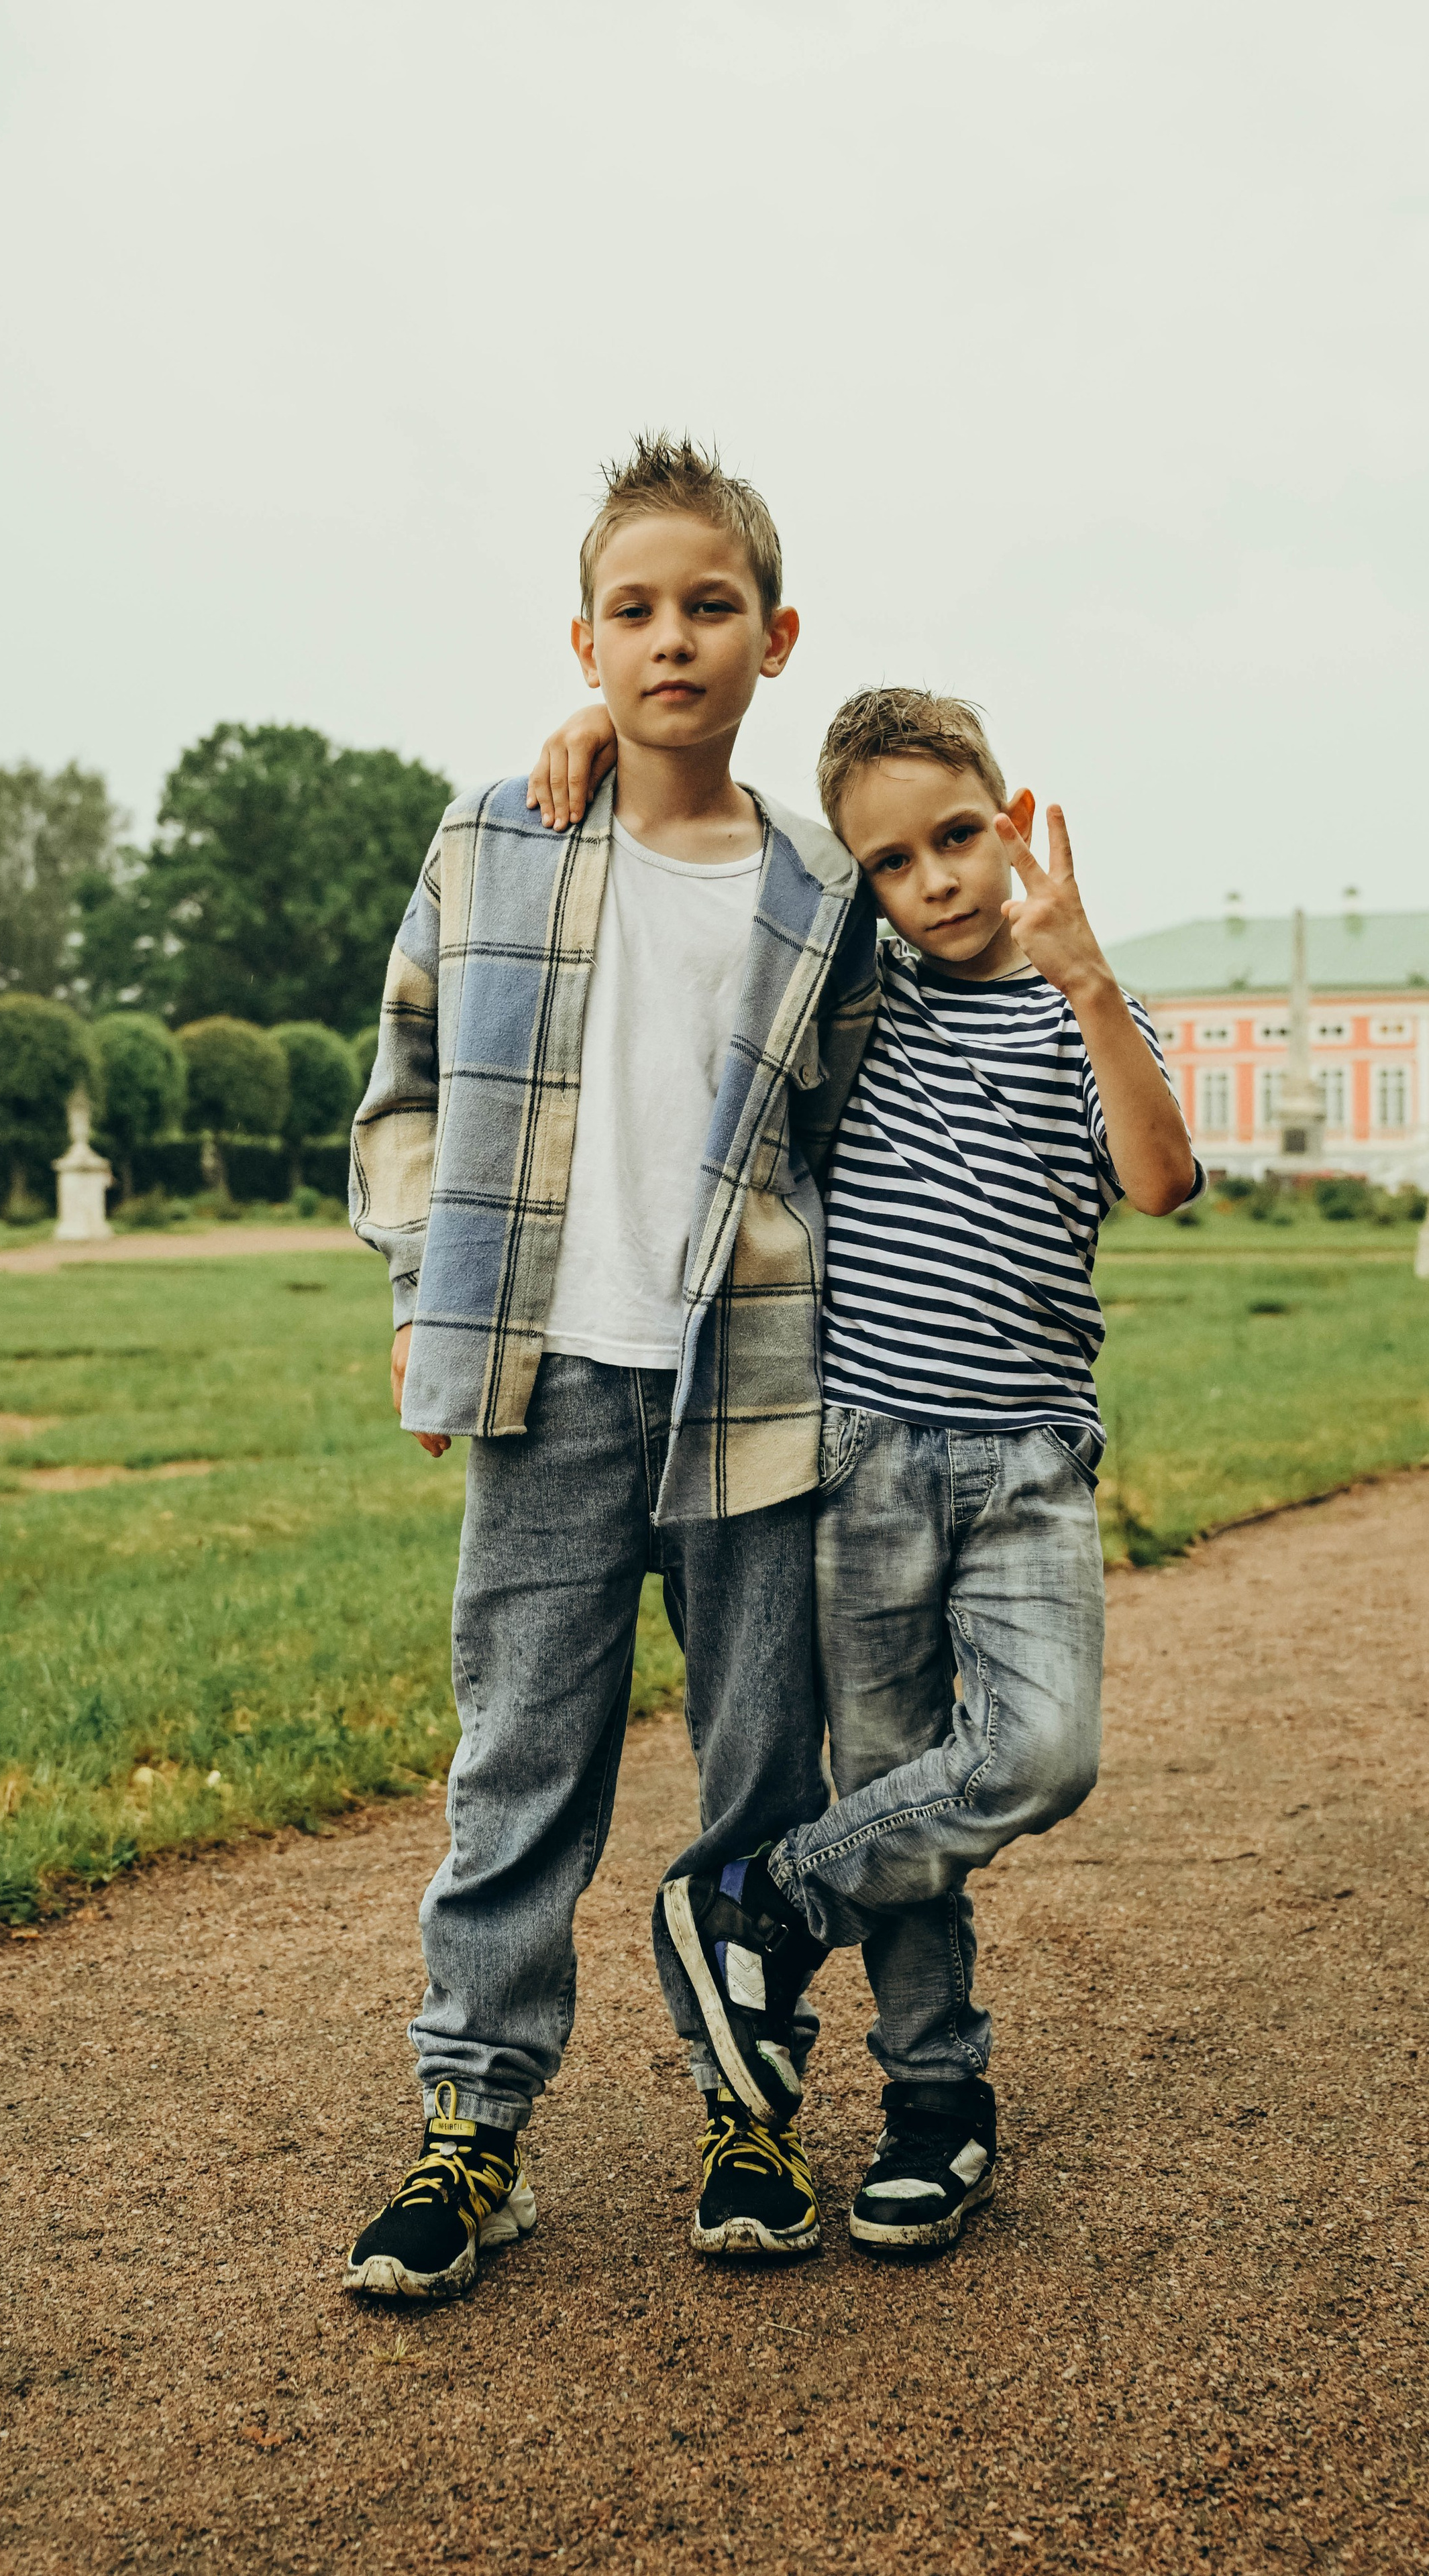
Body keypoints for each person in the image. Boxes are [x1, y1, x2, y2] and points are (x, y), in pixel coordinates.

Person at [531, 685, 1200, 2253]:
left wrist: (1090, 980)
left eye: (959, 838)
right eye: (894, 863)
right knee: (896, 1779)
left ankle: (758, 1895)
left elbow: (1159, 1180)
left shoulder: (1079, 1008)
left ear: (1010, 817)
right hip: (864, 1456)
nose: (938, 882)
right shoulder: (859, 991)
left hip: (1027, 1457)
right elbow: (703, 847)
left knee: (1037, 1755)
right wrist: (595, 730)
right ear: (867, 882)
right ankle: (932, 2105)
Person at [341, 436, 878, 2298]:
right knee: (523, 1770)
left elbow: (864, 1143)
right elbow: (406, 1088)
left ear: (774, 636)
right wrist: (427, 1288)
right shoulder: (496, 834)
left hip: (758, 1389)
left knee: (760, 1777)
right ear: (584, 641)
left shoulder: (826, 893)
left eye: (709, 607)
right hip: (551, 1385)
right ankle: (473, 2135)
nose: (673, 639)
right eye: (635, 610)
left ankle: (752, 2104)